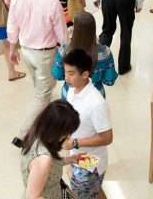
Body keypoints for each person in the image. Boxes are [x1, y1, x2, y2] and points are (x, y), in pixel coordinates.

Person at [7, 0, 67, 147]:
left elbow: (12, 26)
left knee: (41, 91)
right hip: (45, 55)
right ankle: (23, 135)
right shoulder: (52, 2)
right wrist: (65, 53)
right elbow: (62, 36)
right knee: (42, 94)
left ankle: (45, 123)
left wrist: (12, 49)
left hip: (26, 51)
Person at [61, 49, 113, 199]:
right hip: (76, 156)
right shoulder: (72, 90)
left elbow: (107, 137)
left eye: (71, 74)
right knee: (93, 191)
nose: (66, 77)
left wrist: (75, 143)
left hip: (91, 162)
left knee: (84, 192)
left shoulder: (96, 103)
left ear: (85, 74)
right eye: (65, 72)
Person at [21, 101, 81, 199]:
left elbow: (47, 169)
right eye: (67, 132)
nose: (68, 137)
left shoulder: (36, 134)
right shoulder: (44, 159)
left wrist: (70, 159)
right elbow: (33, 197)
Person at [51, 12, 117, 100]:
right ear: (93, 29)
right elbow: (110, 81)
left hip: (69, 96)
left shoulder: (65, 50)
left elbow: (57, 75)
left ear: (75, 29)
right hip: (96, 97)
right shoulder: (105, 52)